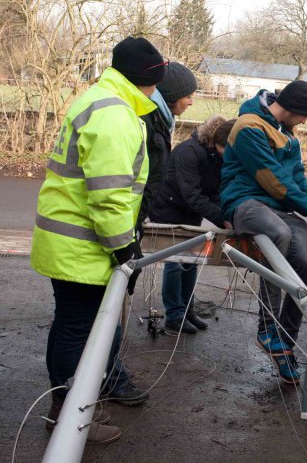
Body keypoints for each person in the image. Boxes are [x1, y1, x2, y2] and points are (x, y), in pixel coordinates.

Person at [31, 37, 167, 443]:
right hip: (84, 248)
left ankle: (64, 407)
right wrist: (124, 248)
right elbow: (109, 195)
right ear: (147, 79)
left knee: (69, 325)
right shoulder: (116, 115)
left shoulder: (99, 99)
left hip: (69, 242)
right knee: (79, 330)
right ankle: (69, 419)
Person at [220, 80, 307, 385]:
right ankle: (267, 327)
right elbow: (275, 181)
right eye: (303, 115)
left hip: (277, 209)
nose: (304, 122)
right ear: (290, 108)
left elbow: (299, 181)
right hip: (245, 203)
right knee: (279, 232)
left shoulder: (288, 135)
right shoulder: (249, 126)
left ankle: (284, 342)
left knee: (306, 263)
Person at [149, 115, 236, 333]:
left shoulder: (216, 156)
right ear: (218, 141)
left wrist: (229, 213)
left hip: (190, 212)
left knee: (191, 261)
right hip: (169, 209)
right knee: (175, 261)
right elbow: (192, 195)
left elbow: (214, 193)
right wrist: (222, 219)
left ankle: (187, 310)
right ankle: (174, 315)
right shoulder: (188, 151)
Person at [137, 61, 198, 230]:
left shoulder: (163, 121)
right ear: (172, 97)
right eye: (188, 97)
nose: (191, 103)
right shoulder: (149, 122)